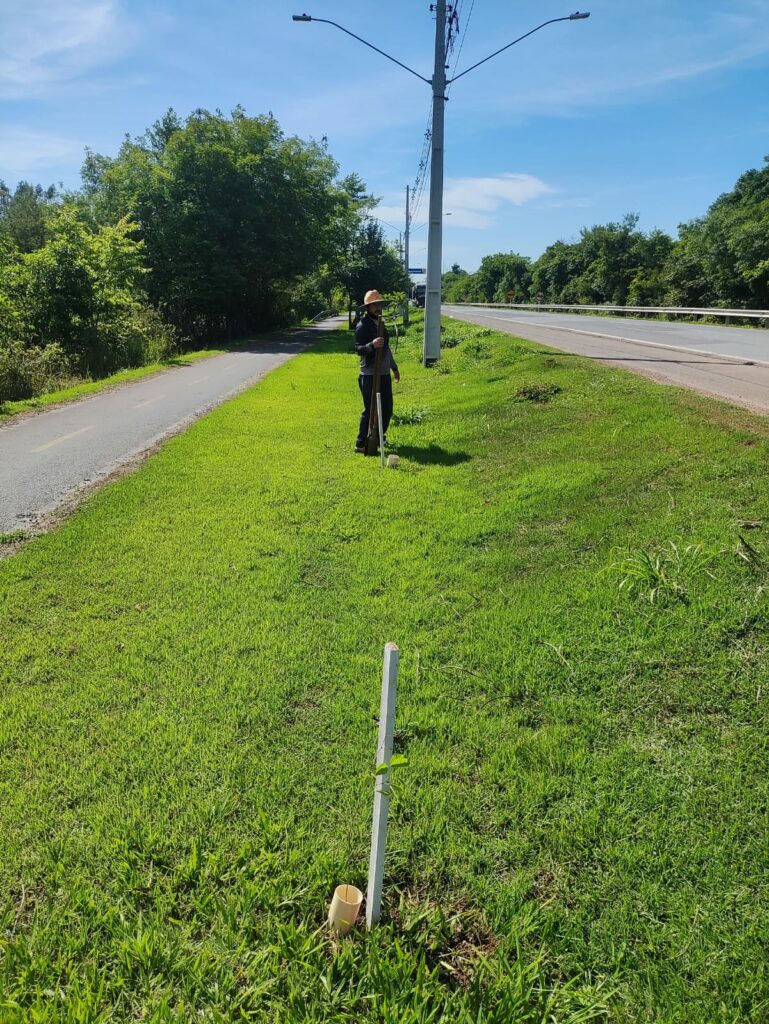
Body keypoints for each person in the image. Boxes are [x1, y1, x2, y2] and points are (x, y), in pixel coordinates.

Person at [354, 289, 400, 454]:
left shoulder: (381, 324)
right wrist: (372, 345)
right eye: (373, 305)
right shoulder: (362, 326)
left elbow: (386, 349)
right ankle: (360, 443)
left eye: (378, 304)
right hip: (369, 375)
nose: (377, 307)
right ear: (368, 307)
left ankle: (379, 435)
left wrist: (394, 367)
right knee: (370, 408)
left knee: (387, 409)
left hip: (384, 374)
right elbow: (358, 349)